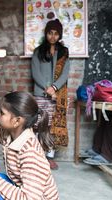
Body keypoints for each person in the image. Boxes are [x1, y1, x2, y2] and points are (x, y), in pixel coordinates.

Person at [31, 19, 70, 169]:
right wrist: (48, 88)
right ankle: (36, 156)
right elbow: (35, 73)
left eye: (56, 34)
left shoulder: (64, 52)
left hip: (57, 95)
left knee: (52, 126)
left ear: (59, 35)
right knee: (38, 125)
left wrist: (55, 87)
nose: (52, 36)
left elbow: (65, 73)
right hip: (40, 93)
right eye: (50, 33)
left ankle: (49, 157)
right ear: (46, 34)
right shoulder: (38, 51)